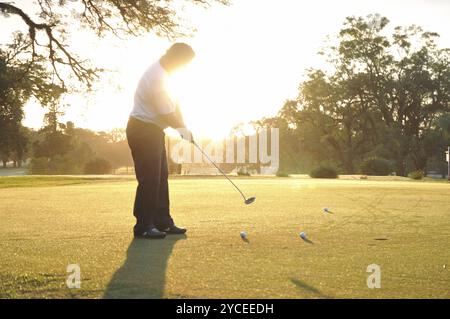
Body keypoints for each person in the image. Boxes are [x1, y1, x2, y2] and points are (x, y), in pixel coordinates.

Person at [126, 43, 195, 239]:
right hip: (142, 130)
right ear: (173, 57)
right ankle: (143, 226)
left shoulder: (168, 74)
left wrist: (184, 126)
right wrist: (182, 130)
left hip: (153, 131)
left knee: (161, 177)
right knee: (150, 179)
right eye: (183, 62)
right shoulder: (157, 77)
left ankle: (163, 222)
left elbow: (176, 104)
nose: (183, 66)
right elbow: (166, 113)